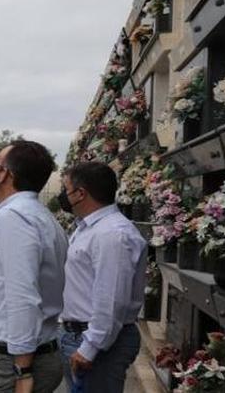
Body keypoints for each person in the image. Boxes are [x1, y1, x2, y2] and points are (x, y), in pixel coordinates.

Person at [0, 141, 67, 393]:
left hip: (9, 364)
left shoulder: (14, 216)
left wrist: (22, 372)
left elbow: (23, 296)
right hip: (34, 352)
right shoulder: (43, 217)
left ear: (4, 174)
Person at [56, 161, 146, 392]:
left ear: (80, 194)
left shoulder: (112, 234)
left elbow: (111, 298)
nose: (63, 196)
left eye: (66, 190)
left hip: (98, 343)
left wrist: (90, 347)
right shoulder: (88, 228)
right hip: (79, 335)